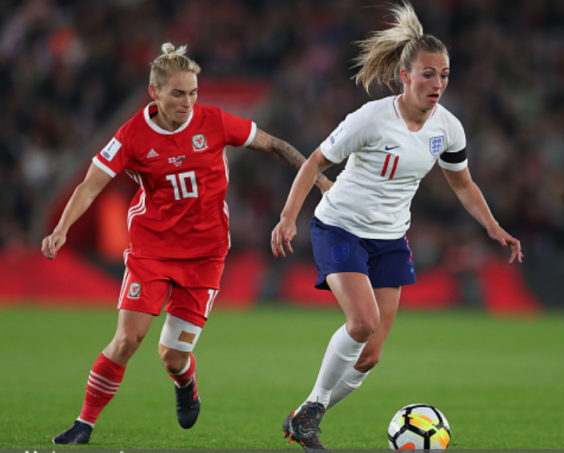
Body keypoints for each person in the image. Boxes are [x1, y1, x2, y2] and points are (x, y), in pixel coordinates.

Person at [42, 43, 331, 445]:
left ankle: (185, 382)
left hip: (205, 256)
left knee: (173, 357)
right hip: (152, 251)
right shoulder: (131, 136)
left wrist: (317, 179)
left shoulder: (214, 121)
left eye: (193, 92)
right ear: (154, 93)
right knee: (128, 339)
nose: (188, 101)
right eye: (178, 93)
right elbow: (90, 186)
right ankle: (84, 424)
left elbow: (274, 146)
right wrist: (61, 228)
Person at [271, 3, 523, 450]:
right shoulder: (370, 118)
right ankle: (312, 410)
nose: (438, 84)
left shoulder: (448, 129)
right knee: (362, 321)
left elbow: (463, 184)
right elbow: (314, 162)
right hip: (340, 227)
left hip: (390, 239)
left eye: (444, 75)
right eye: (428, 74)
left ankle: (304, 415)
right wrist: (289, 217)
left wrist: (493, 225)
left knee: (369, 357)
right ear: (404, 76)